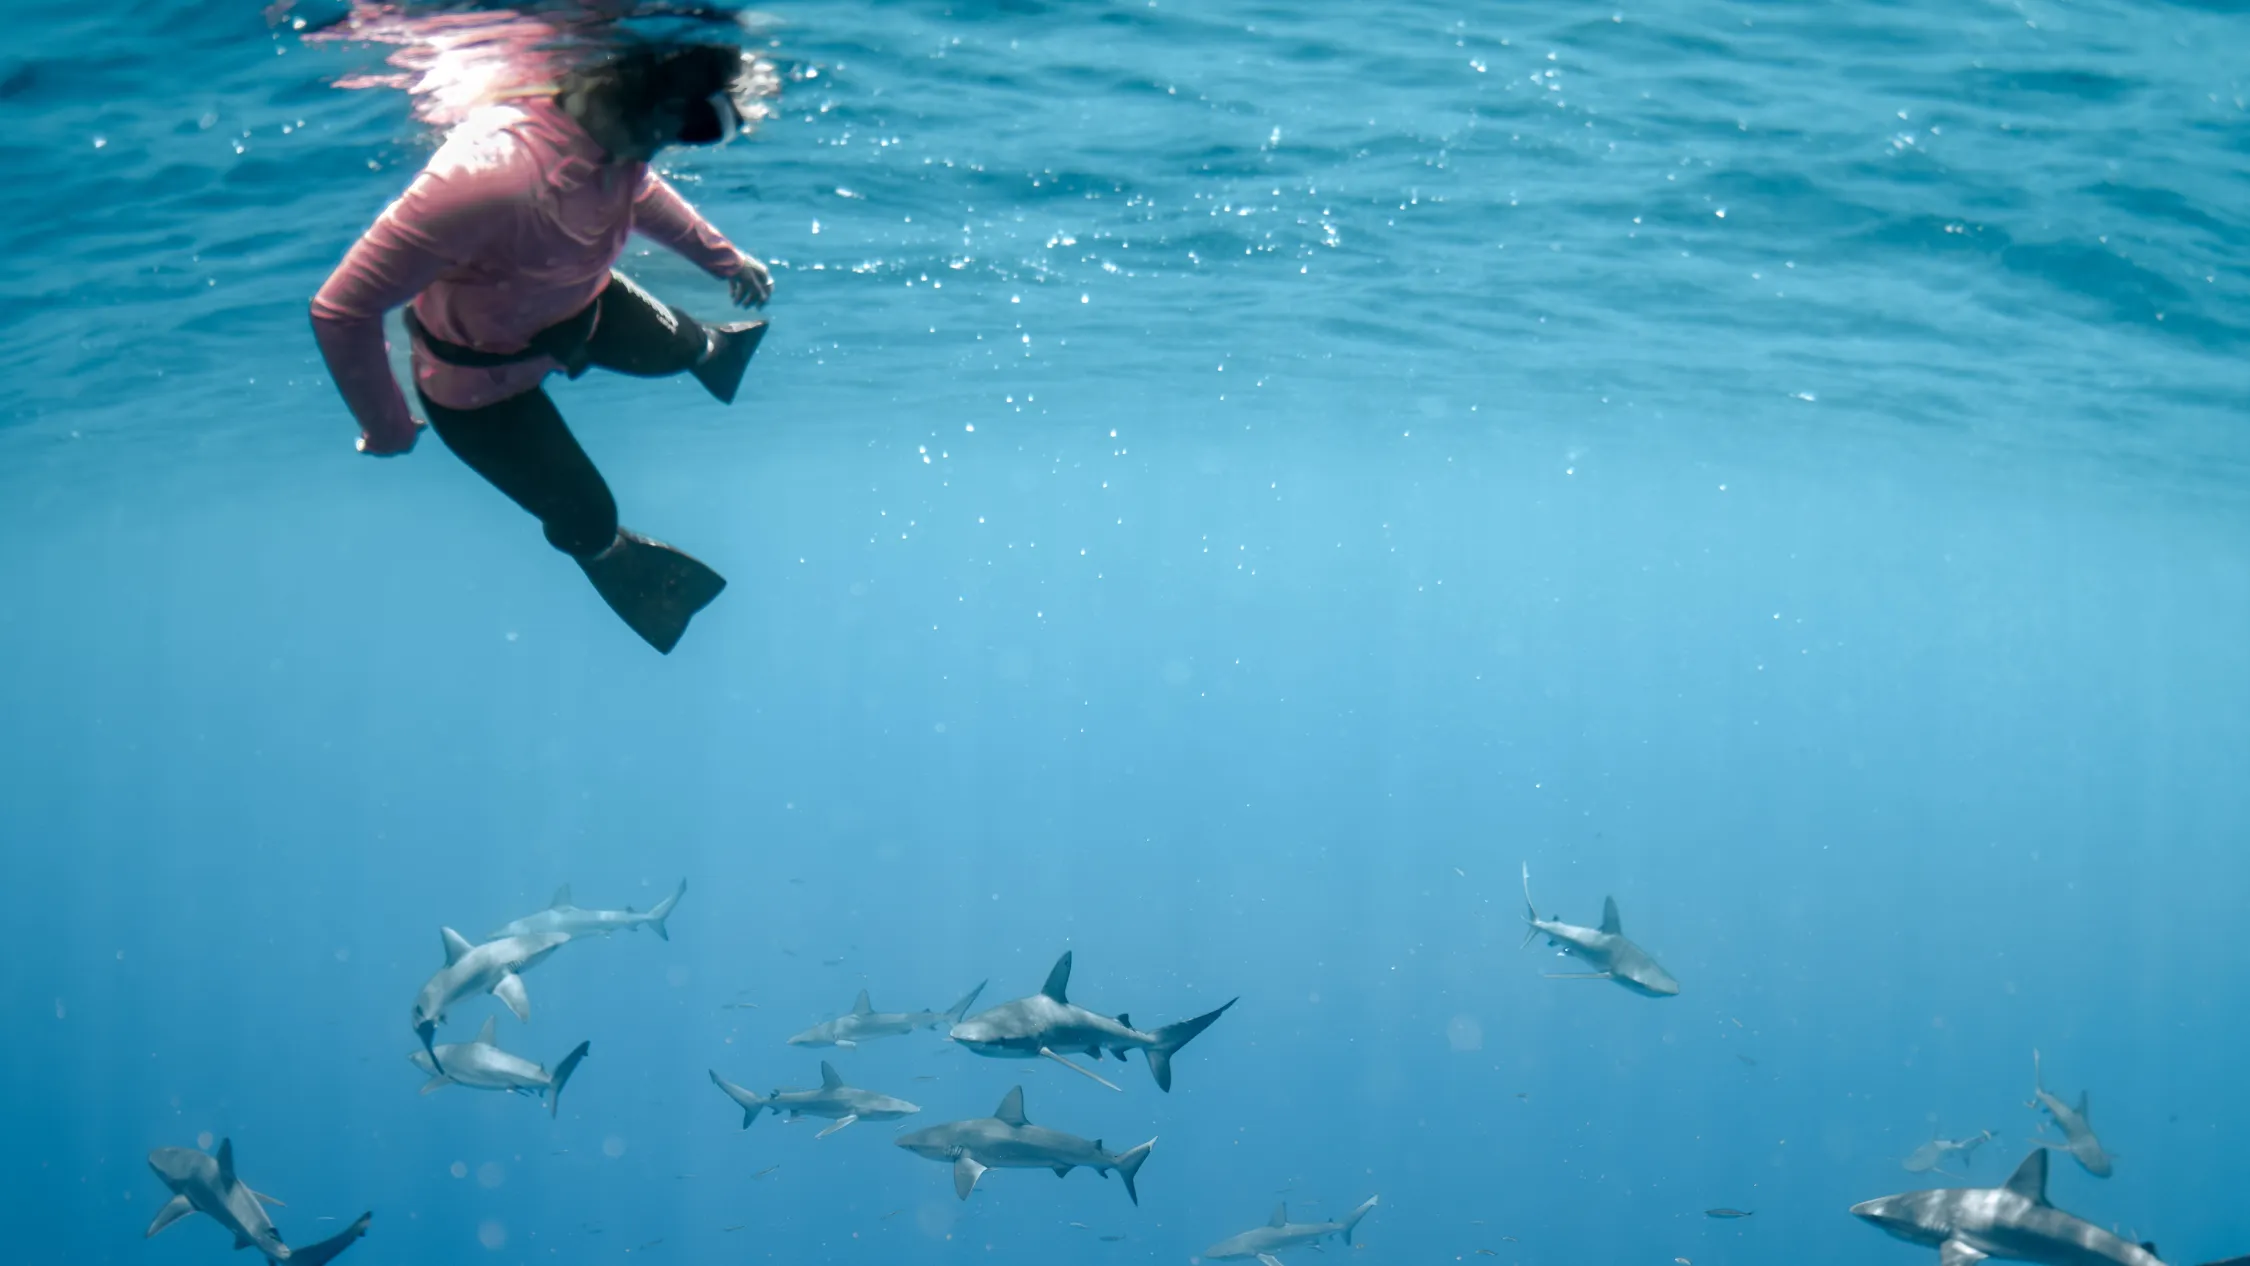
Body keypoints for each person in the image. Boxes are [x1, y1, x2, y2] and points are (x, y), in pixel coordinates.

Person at [311, 41, 773, 653]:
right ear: (654, 102)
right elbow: (341, 309)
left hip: (580, 310)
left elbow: (641, 193)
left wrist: (724, 258)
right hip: (480, 388)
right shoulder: (489, 179)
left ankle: (711, 352)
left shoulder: (615, 143)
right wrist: (389, 425)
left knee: (686, 350)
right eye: (693, 128)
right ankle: (617, 564)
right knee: (590, 520)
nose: (678, 144)